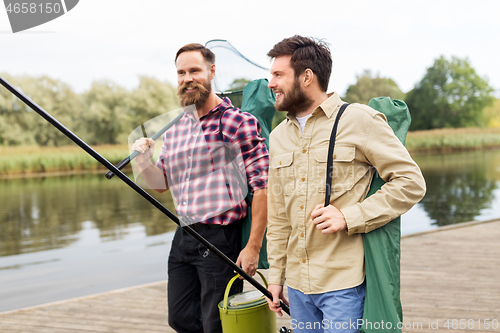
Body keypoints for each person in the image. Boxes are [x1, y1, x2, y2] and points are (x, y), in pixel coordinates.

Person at [265, 35, 426, 332]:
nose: (270, 83)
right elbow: (278, 215)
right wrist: (276, 276)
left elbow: (411, 182)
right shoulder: (278, 137)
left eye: (278, 74)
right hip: (298, 288)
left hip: (344, 284)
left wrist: (348, 216)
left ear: (307, 77)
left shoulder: (359, 120)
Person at [131, 43, 269, 333]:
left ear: (211, 71)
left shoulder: (239, 123)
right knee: (179, 318)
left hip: (221, 238)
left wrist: (253, 247)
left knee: (216, 324)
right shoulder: (176, 127)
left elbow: (262, 188)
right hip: (183, 235)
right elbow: (161, 184)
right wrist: (144, 159)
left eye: (194, 70)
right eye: (181, 72)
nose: (187, 78)